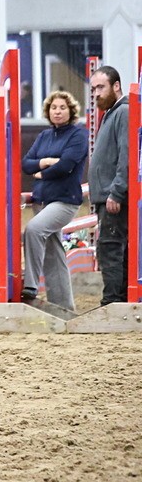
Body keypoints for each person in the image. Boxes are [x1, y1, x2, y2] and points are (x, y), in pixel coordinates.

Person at [20, 90, 88, 310]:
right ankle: (64, 307)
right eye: (53, 108)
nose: (57, 111)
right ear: (48, 112)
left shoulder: (78, 135)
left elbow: (66, 165)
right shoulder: (44, 136)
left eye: (62, 107)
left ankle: (30, 286)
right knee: (53, 250)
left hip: (64, 201)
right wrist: (45, 162)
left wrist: (43, 172)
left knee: (33, 230)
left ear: (71, 111)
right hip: (41, 200)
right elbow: (27, 163)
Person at [89, 66, 130, 306]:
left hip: (113, 197)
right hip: (106, 195)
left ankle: (113, 302)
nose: (96, 93)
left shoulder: (122, 112)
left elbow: (126, 155)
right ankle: (117, 299)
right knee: (111, 247)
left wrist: (116, 191)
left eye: (101, 87)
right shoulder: (112, 113)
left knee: (110, 247)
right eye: (93, 88)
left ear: (116, 86)